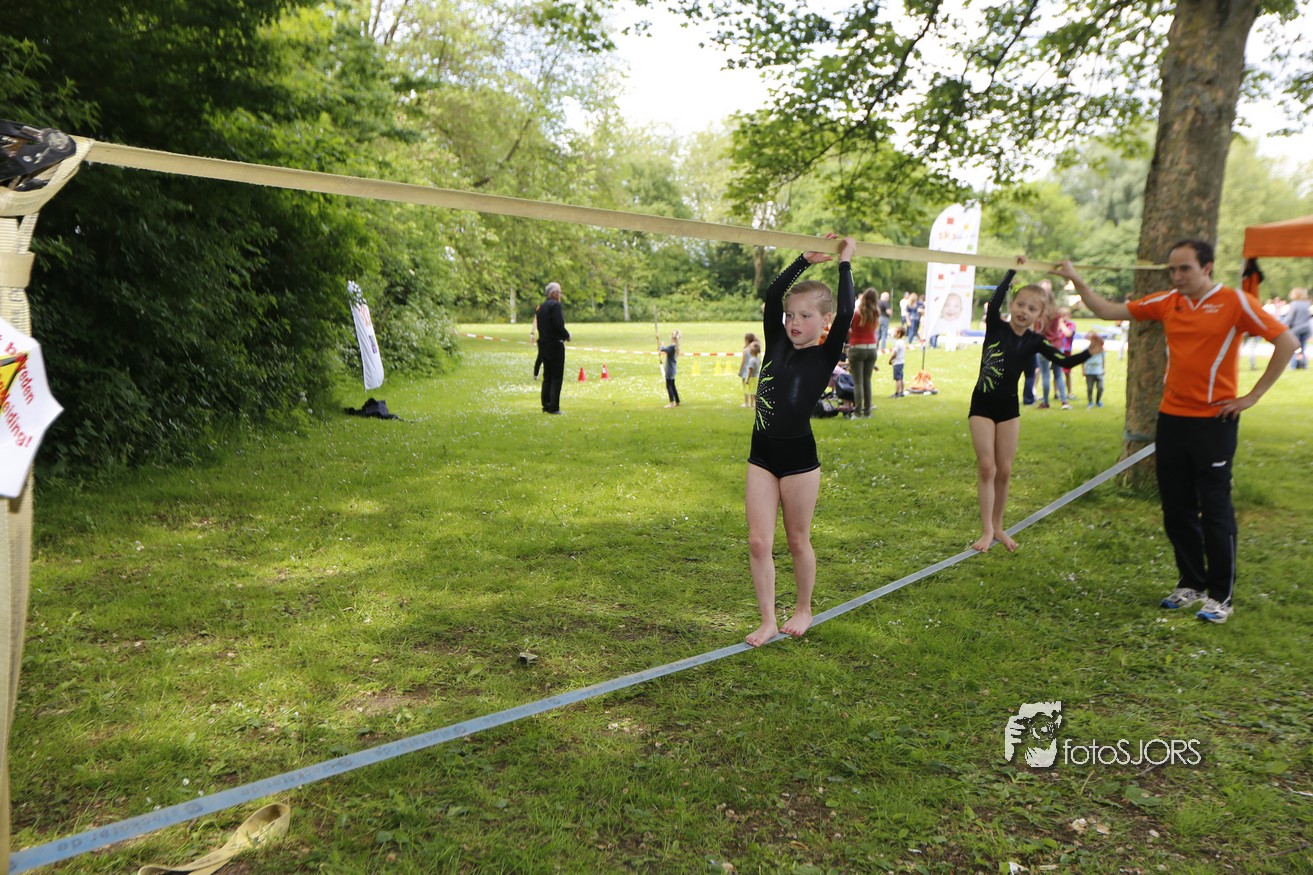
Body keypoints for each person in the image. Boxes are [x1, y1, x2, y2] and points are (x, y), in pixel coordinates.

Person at [1056, 241, 1298, 624]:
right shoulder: (1168, 301)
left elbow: (1287, 341)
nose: (1177, 276)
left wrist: (1251, 396)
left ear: (1207, 267)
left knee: (1215, 508)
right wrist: (1075, 278)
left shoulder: (1235, 301)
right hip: (1171, 419)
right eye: (1172, 269)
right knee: (1176, 506)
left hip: (1214, 422)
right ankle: (1191, 583)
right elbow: (1106, 310)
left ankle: (1221, 596)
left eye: (1185, 268)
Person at [745, 234, 856, 647]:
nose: (794, 322)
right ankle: (767, 620)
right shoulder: (776, 341)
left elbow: (848, 309)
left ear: (824, 322)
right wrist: (803, 260)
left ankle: (804, 608)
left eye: (805, 315)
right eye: (791, 315)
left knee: (796, 540)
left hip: (799, 461)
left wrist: (845, 262)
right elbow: (773, 295)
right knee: (758, 542)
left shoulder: (823, 354)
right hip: (761, 456)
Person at [968, 271, 1101, 553]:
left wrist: (1090, 352)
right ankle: (987, 529)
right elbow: (994, 302)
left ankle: (998, 526)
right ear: (1011, 305)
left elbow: (1064, 361)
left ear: (1039, 316)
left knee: (1005, 471)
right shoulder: (995, 325)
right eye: (1020, 304)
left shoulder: (1035, 341)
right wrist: (1011, 273)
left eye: (1031, 308)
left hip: (1008, 409)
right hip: (982, 404)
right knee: (987, 466)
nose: (1023, 311)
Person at [536, 281, 570, 414]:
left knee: (547, 376)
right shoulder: (555, 306)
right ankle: (554, 406)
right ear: (554, 293)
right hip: (555, 344)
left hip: (544, 343)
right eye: (559, 292)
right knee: (556, 376)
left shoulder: (542, 307)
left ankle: (546, 404)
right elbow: (557, 324)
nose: (560, 295)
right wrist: (566, 335)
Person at [847, 288, 880, 418]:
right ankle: (867, 412)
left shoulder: (856, 314)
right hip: (872, 348)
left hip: (857, 347)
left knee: (858, 382)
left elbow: (850, 330)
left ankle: (857, 412)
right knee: (867, 381)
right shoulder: (876, 314)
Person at [1284, 287, 1309, 369]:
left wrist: (1286, 327)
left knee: (1294, 347)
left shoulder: (1294, 304)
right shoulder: (1306, 304)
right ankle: (1304, 364)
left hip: (1296, 328)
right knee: (1302, 347)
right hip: (1306, 328)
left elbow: (1290, 318)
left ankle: (1293, 365)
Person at [1082, 330, 1106, 408]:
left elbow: (1103, 359)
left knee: (1100, 387)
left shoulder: (1101, 349)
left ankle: (1098, 401)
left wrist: (1103, 368)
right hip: (1089, 371)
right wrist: (1083, 370)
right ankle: (1090, 402)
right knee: (1089, 388)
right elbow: (1083, 361)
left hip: (1098, 371)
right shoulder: (1086, 349)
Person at [658, 329, 682, 407]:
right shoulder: (675, 347)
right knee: (672, 385)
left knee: (669, 385)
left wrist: (661, 344)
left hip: (670, 369)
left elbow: (662, 349)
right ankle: (677, 401)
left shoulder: (672, 346)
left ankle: (672, 402)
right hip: (673, 368)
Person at [742, 339, 762, 407]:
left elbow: (750, 371)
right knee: (754, 391)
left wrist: (747, 379)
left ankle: (753, 404)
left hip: (752, 378)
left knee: (752, 392)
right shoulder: (758, 359)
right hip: (757, 377)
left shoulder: (752, 360)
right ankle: (753, 404)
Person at [888, 325, 906, 397]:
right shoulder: (902, 342)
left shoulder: (897, 343)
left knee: (897, 378)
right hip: (901, 362)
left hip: (897, 363)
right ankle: (902, 391)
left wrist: (890, 359)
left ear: (899, 334)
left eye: (895, 332)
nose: (894, 333)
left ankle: (897, 392)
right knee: (901, 378)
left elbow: (894, 353)